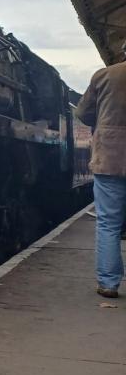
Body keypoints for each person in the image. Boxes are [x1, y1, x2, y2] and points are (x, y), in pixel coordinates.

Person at [76, 47, 126, 297]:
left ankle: (108, 283)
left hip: (110, 157)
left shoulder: (105, 75)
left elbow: (83, 113)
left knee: (108, 223)